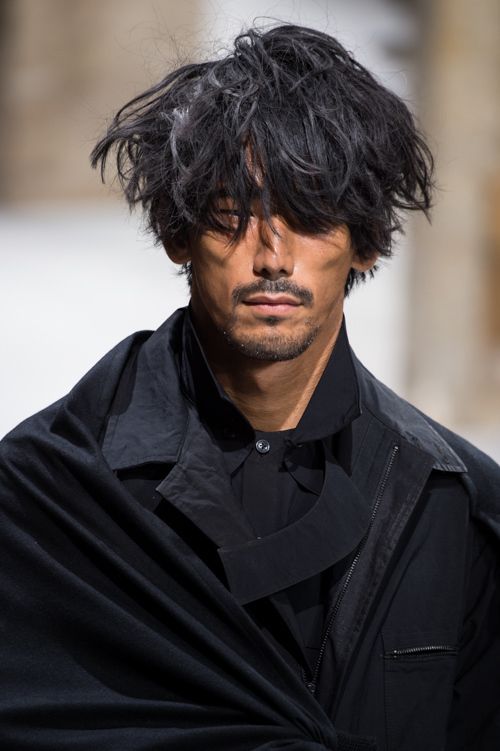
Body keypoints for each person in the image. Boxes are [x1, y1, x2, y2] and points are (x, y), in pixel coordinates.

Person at [0, 23, 499, 751]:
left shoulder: (456, 507)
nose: (272, 256)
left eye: (311, 214)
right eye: (233, 216)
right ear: (178, 234)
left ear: (363, 240)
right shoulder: (50, 490)